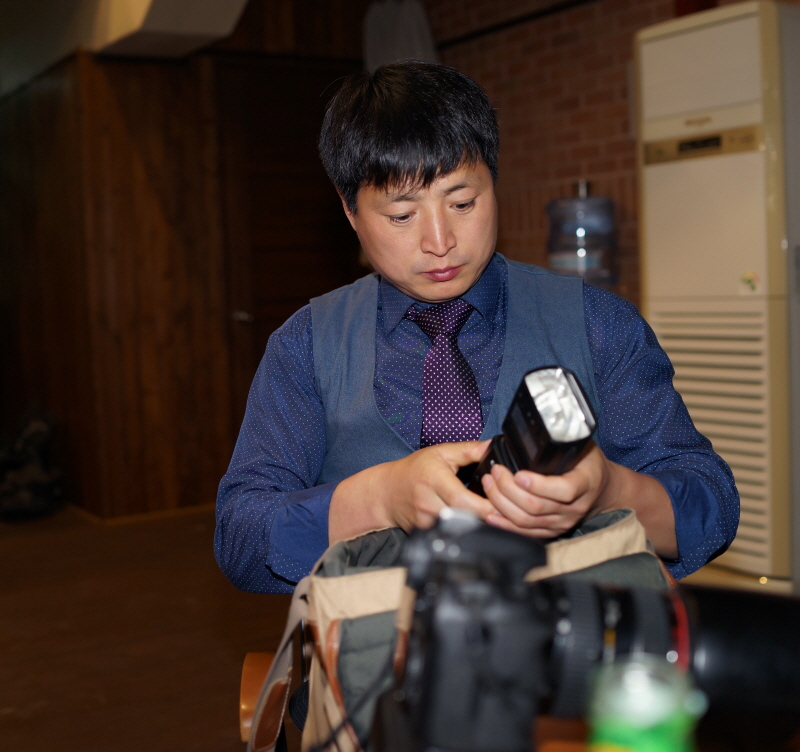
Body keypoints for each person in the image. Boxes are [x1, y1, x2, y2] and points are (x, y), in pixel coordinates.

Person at [214, 61, 739, 594]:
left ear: (495, 181)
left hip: (571, 638)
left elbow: (710, 506)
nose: (440, 241)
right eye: (401, 216)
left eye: (463, 203)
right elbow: (240, 536)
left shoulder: (596, 324)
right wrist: (379, 498)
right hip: (380, 642)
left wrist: (607, 492)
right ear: (350, 210)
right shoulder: (308, 345)